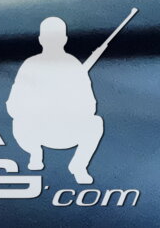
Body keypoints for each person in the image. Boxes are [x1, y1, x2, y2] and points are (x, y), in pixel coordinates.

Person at [7, 16, 109, 182]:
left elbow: (90, 106)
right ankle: (35, 154)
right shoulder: (30, 64)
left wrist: (67, 103)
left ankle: (78, 166)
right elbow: (13, 105)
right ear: (40, 39)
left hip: (66, 130)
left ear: (64, 40)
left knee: (95, 123)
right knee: (19, 122)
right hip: (34, 130)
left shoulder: (74, 66)